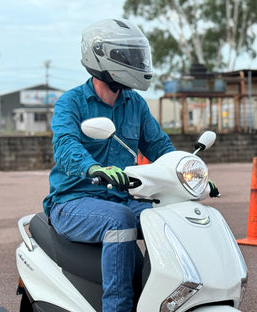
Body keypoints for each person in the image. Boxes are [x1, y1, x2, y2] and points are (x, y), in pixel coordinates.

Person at [43, 18, 219, 312]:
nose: (136, 62)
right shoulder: (71, 102)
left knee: (173, 213)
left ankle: (172, 296)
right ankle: (118, 307)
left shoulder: (134, 103)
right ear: (101, 57)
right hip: (72, 201)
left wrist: (189, 175)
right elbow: (65, 146)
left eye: (137, 55)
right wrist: (93, 168)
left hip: (120, 197)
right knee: (119, 220)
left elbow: (159, 147)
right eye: (127, 56)